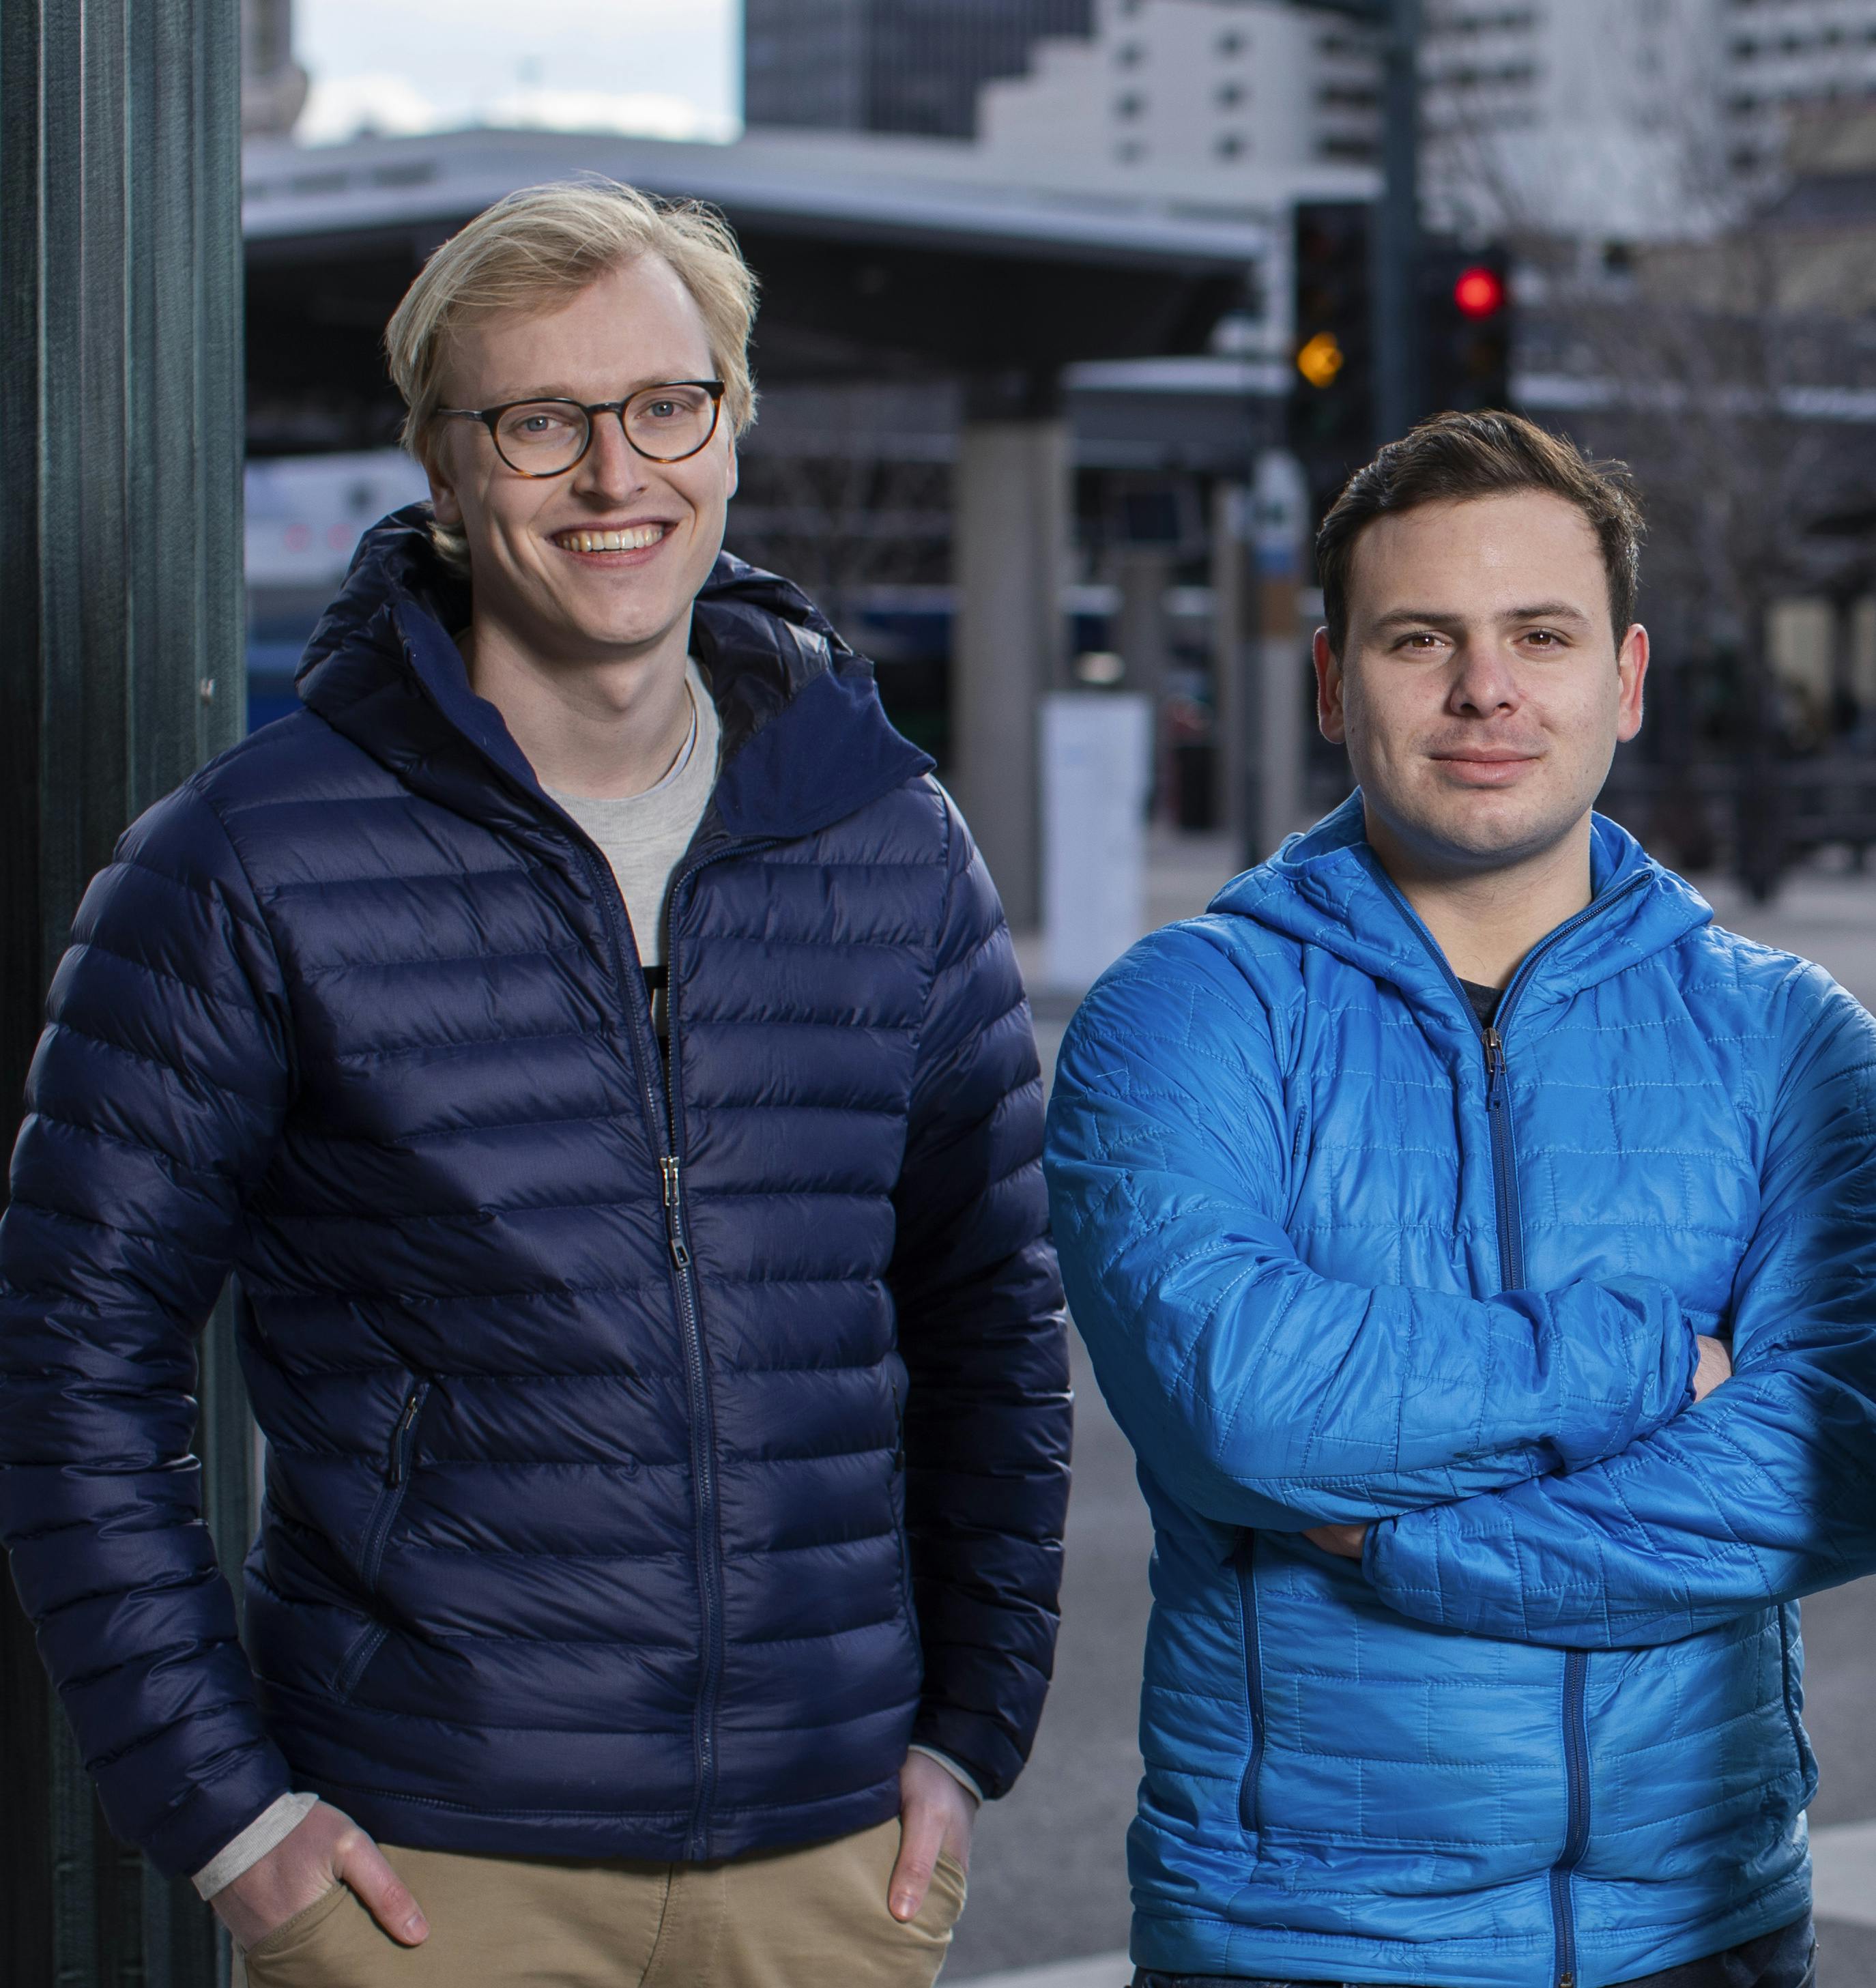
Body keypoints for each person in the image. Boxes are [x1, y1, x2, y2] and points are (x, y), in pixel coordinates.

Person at [0, 179, 1070, 1987]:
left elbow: (987, 1318)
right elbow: (69, 1365)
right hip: (427, 1868)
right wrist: (234, 1827)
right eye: (539, 422)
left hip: (830, 1865)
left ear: (730, 426)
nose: (613, 475)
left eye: (664, 405)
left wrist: (972, 1728)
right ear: (438, 468)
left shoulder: (888, 844)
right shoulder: (247, 863)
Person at [1045, 410, 1876, 1988]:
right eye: (1421, 637)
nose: (1485, 688)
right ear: (1326, 680)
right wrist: (1651, 1365)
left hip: (1703, 1932)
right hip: (1305, 1944)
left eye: (1538, 635)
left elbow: (1842, 1455)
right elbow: (1245, 1403)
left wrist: (1409, 1546)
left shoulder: (1790, 1037)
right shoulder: (1187, 1012)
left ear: (1621, 679)